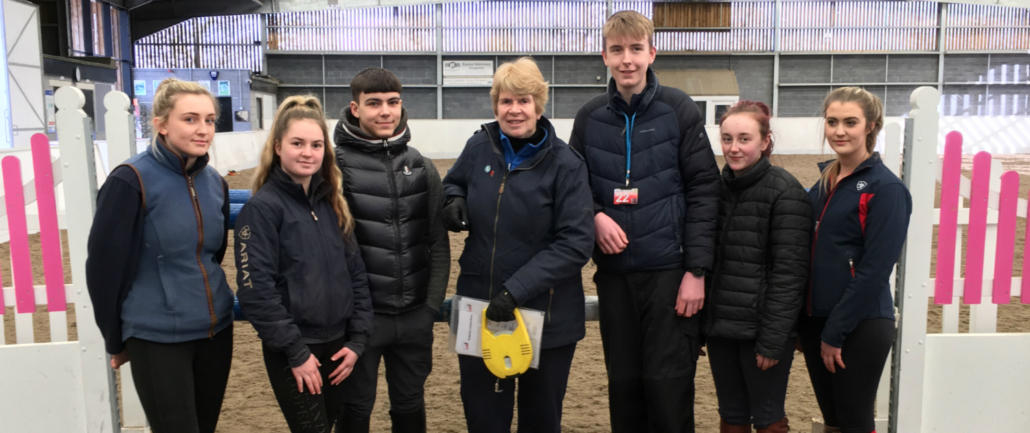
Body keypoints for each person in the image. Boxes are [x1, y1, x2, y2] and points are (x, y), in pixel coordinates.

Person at [568, 10, 720, 433]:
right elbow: (571, 188)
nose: (627, 60)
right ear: (604, 56)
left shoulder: (679, 109)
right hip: (615, 277)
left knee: (668, 393)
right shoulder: (589, 117)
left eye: (636, 49)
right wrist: (595, 216)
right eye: (617, 50)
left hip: (670, 277)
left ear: (652, 53)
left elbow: (704, 189)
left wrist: (696, 271)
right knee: (625, 393)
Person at [440, 57, 594, 433]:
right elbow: (453, 181)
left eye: (524, 100)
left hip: (547, 316)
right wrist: (452, 198)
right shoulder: (479, 146)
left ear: (538, 105)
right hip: (480, 309)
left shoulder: (566, 164)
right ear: (496, 104)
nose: (514, 110)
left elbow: (576, 243)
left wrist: (515, 291)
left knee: (540, 421)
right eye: (506, 100)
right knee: (483, 419)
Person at [85, 78, 234, 433]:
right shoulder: (130, 180)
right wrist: (115, 339)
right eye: (190, 119)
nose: (203, 129)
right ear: (161, 124)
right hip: (157, 337)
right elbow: (104, 269)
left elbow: (213, 253)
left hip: (215, 333)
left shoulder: (215, 182)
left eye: (209, 120)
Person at [234, 95, 374, 432]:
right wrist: (295, 351)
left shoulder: (333, 204)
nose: (307, 152)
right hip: (296, 348)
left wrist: (357, 340)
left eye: (316, 145)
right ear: (278, 147)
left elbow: (356, 275)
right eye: (297, 143)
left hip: (339, 346)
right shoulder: (262, 209)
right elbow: (256, 289)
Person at [332, 67, 450, 433]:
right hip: (360, 321)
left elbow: (437, 243)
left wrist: (430, 308)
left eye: (393, 102)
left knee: (410, 402)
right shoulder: (333, 168)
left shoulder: (422, 166)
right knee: (356, 404)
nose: (385, 111)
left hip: (415, 316)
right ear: (355, 109)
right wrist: (350, 314)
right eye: (374, 103)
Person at [800, 87, 911, 433]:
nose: (839, 131)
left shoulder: (886, 189)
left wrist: (835, 332)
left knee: (853, 421)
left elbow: (875, 271)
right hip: (816, 321)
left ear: (870, 126)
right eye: (832, 122)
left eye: (850, 122)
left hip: (859, 324)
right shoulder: (822, 184)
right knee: (834, 422)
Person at [704, 101, 812, 433]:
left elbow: (789, 274)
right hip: (721, 329)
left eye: (744, 139)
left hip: (761, 333)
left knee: (767, 416)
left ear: (765, 141)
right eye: (727, 139)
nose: (733, 148)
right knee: (731, 413)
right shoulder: (716, 188)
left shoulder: (786, 192)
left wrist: (773, 340)